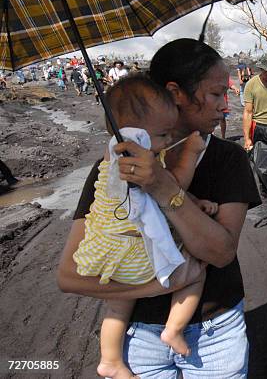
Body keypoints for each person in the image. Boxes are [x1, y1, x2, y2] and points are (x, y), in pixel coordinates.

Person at [57, 38, 261, 378]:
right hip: (138, 338)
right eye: (215, 94)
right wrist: (162, 285)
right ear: (176, 92)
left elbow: (221, 252)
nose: (226, 106)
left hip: (215, 336)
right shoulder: (113, 169)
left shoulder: (229, 159)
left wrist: (162, 187)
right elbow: (69, 276)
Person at [72, 74, 214, 379]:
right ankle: (173, 330)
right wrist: (189, 155)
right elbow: (170, 188)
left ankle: (110, 359)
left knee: (117, 309)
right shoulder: (140, 159)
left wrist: (193, 201)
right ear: (136, 135)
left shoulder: (111, 157)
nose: (167, 141)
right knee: (194, 273)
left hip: (109, 252)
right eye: (163, 135)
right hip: (138, 254)